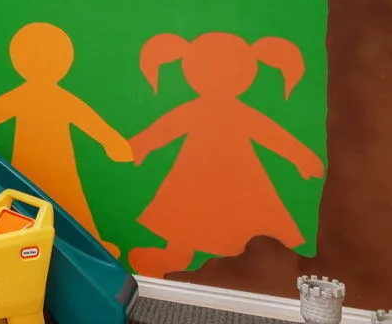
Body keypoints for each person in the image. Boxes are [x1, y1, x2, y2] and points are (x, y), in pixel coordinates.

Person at [124, 32, 320, 278]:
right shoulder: (206, 110)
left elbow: (272, 135)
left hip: (227, 171)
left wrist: (302, 158)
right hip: (201, 170)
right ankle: (175, 258)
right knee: (188, 213)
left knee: (210, 214)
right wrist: (139, 145)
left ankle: (237, 264)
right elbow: (165, 129)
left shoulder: (228, 112)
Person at [0, 23, 131, 251]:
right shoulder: (23, 97)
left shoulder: (53, 98)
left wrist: (112, 141)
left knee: (69, 200)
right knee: (28, 198)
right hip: (30, 161)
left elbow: (90, 121)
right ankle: (18, 243)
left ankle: (90, 244)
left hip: (59, 162)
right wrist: (112, 142)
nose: (43, 66)